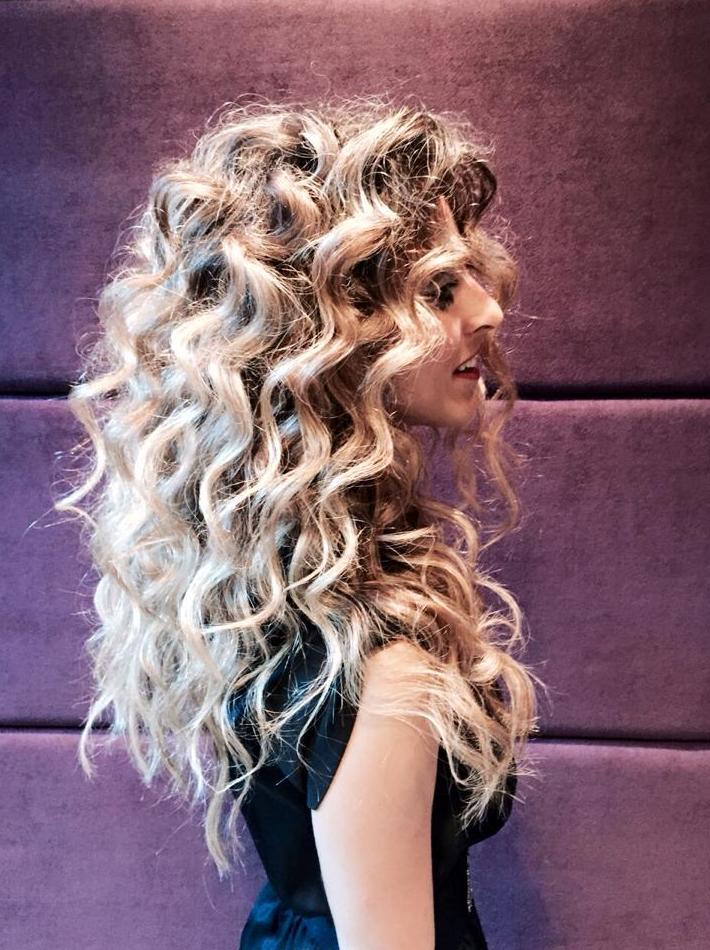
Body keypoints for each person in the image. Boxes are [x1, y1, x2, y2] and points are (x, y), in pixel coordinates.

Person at [52, 96, 547, 949]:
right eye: (439, 288)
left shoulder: (274, 581)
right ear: (332, 336)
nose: (488, 309)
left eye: (471, 275)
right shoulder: (378, 658)